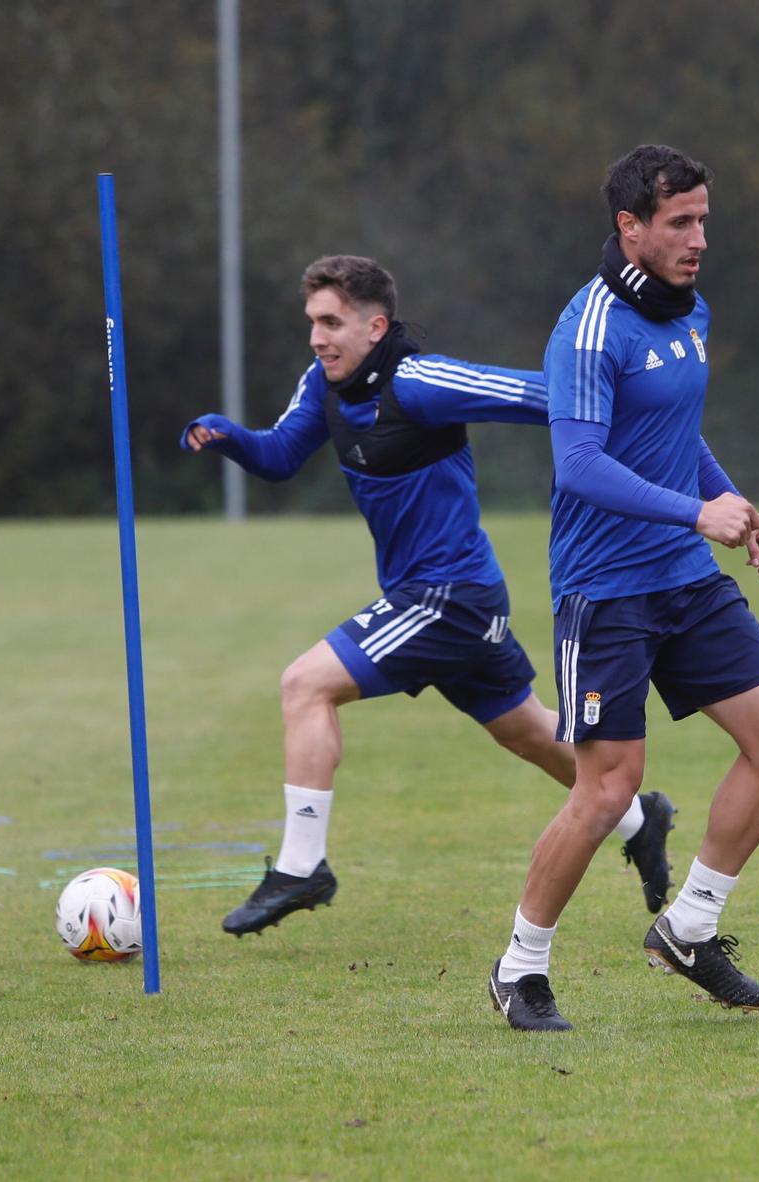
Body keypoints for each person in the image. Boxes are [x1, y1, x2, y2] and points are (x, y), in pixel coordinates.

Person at [182, 254, 676, 937]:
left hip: (447, 598)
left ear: (375, 325)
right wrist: (228, 437)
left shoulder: (420, 382)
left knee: (304, 685)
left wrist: (635, 420)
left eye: (331, 323)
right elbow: (278, 457)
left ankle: (301, 867)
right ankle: (638, 818)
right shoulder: (322, 384)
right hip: (454, 599)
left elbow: (544, 399)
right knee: (531, 735)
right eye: (312, 324)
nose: (318, 338)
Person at [487, 145, 759, 1031]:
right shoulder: (589, 330)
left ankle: (690, 927)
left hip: (685, 576)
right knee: (606, 790)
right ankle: (520, 968)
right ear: (628, 227)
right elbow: (581, 465)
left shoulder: (690, 311)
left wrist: (734, 504)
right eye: (680, 222)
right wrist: (693, 513)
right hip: (606, 592)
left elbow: (676, 433)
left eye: (704, 219)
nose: (699, 237)